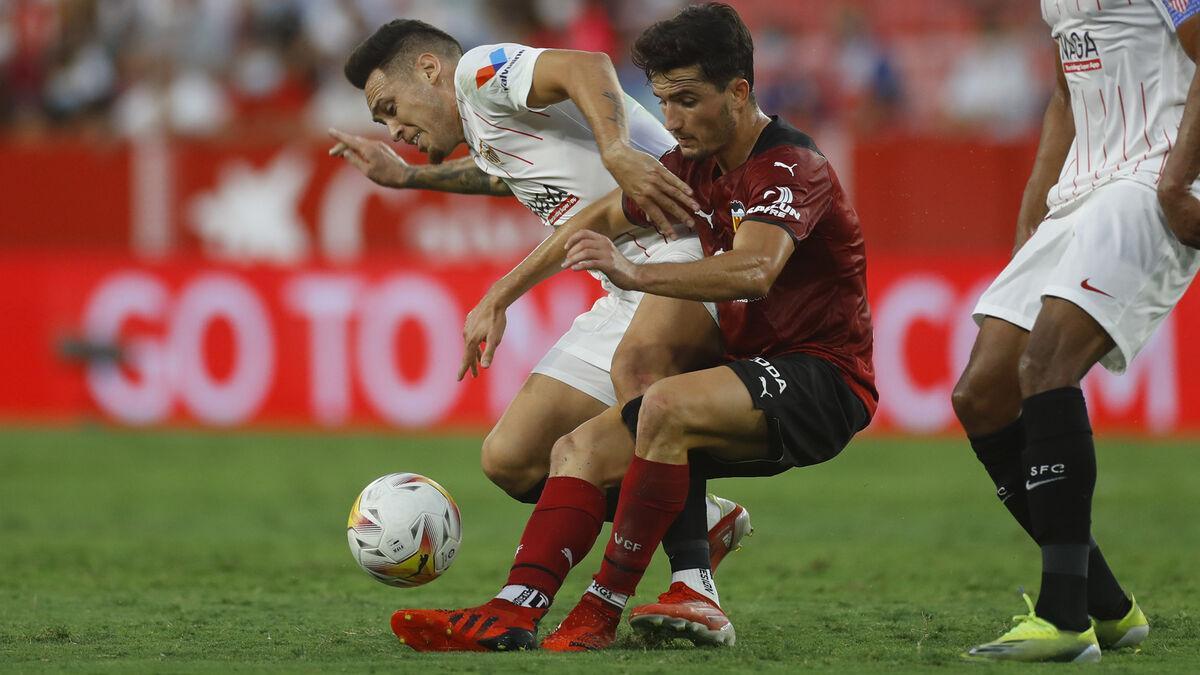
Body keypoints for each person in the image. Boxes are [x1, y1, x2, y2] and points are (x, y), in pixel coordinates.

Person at [386, 3, 875, 653]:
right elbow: (599, 216)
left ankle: (652, 593)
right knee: (552, 454)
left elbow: (755, 269)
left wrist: (627, 218)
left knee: (650, 393)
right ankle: (517, 606)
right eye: (664, 101)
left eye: (685, 101)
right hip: (717, 348)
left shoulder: (787, 164)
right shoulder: (689, 167)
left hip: (817, 375)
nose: (670, 121)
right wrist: (501, 291)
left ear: (738, 92)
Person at [328, 19, 751, 629]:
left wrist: (616, 150)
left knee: (644, 377)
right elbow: (504, 175)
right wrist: (409, 176)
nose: (394, 130)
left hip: (688, 245)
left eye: (390, 108)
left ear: (428, 69)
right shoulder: (488, 125)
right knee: (512, 459)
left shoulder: (479, 71)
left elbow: (587, 66)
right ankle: (702, 516)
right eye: (383, 124)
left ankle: (692, 581)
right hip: (621, 277)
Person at [953, 0, 1200, 663]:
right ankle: (1110, 606)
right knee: (982, 394)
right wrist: (1035, 208)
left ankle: (1065, 616)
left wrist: (1181, 178)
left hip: (1151, 177)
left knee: (1045, 365)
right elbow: (1067, 90)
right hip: (1079, 189)